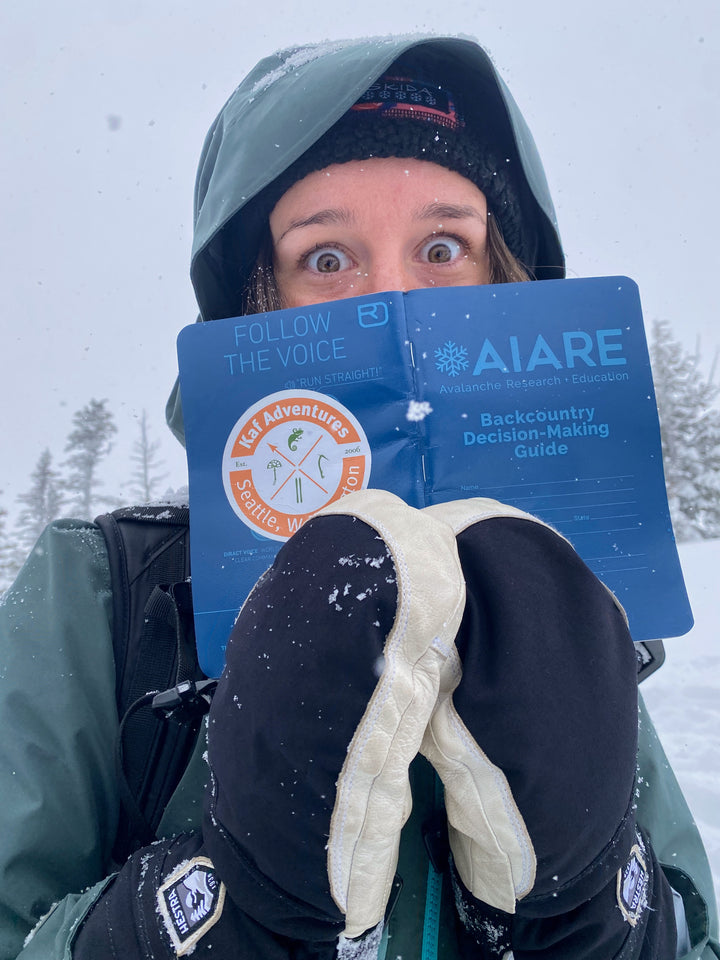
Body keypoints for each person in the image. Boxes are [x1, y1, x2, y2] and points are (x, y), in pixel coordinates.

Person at [0, 33, 717, 960]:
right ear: (254, 304)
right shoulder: (107, 591)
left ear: (508, 283)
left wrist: (593, 911)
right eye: (327, 258)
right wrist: (216, 908)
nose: (391, 300)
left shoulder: (566, 592)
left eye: (445, 245)